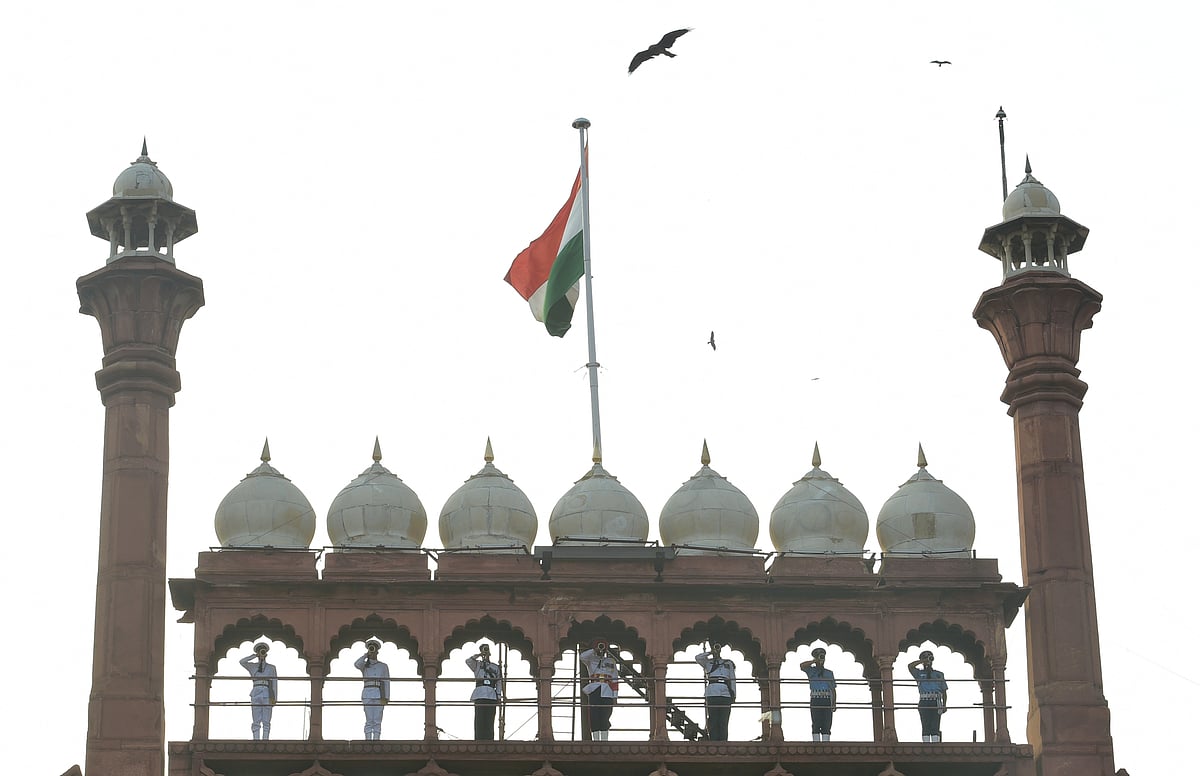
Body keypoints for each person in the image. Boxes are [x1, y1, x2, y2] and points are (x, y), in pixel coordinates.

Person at [695, 642, 736, 741]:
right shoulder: (708, 662)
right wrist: (710, 652)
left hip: (725, 693)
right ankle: (713, 740)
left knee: (723, 719)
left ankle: (723, 741)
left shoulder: (728, 663)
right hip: (712, 692)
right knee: (713, 718)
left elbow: (732, 679)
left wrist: (733, 694)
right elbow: (698, 658)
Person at [579, 640, 620, 740]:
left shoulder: (611, 661)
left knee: (606, 714)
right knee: (594, 714)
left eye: (603, 646)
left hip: (607, 690)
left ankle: (604, 740)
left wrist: (615, 696)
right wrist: (594, 649)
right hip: (594, 688)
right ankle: (596, 739)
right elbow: (582, 657)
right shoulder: (590, 659)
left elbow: (615, 679)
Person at [238, 642, 278, 741]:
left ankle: (265, 740)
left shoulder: (271, 667)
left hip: (267, 693)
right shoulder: (253, 666)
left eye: (263, 651)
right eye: (260, 651)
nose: (262, 653)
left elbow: (274, 683)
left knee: (266, 720)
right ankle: (256, 739)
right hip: (256, 692)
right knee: (256, 719)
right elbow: (242, 662)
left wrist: (275, 698)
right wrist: (254, 656)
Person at [908, 649, 948, 742]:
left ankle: (935, 744)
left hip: (936, 701)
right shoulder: (919, 673)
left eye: (929, 658)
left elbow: (944, 691)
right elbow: (910, 666)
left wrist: (944, 704)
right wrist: (923, 661)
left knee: (935, 724)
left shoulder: (939, 674)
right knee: (925, 723)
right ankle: (926, 744)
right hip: (924, 700)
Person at [799, 646, 837, 741]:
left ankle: (826, 743)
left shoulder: (829, 673)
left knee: (827, 721)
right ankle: (816, 743)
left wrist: (834, 702)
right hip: (815, 698)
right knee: (816, 721)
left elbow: (833, 689)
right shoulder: (811, 670)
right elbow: (802, 666)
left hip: (826, 698)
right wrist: (814, 661)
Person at [355, 639, 390, 740]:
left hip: (379, 693)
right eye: (371, 648)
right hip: (367, 693)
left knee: (377, 719)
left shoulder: (383, 666)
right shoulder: (365, 666)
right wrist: (366, 655)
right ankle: (368, 740)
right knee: (369, 719)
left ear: (377, 651)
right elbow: (356, 664)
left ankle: (376, 740)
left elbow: (387, 681)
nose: (373, 651)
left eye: (374, 649)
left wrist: (386, 697)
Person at [466, 642, 502, 740]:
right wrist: (479, 655)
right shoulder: (477, 665)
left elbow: (499, 681)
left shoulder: (495, 667)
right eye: (484, 649)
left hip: (491, 693)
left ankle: (489, 739)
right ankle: (479, 739)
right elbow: (468, 661)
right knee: (480, 718)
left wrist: (498, 695)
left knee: (490, 718)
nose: (486, 651)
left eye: (487, 649)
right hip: (480, 693)